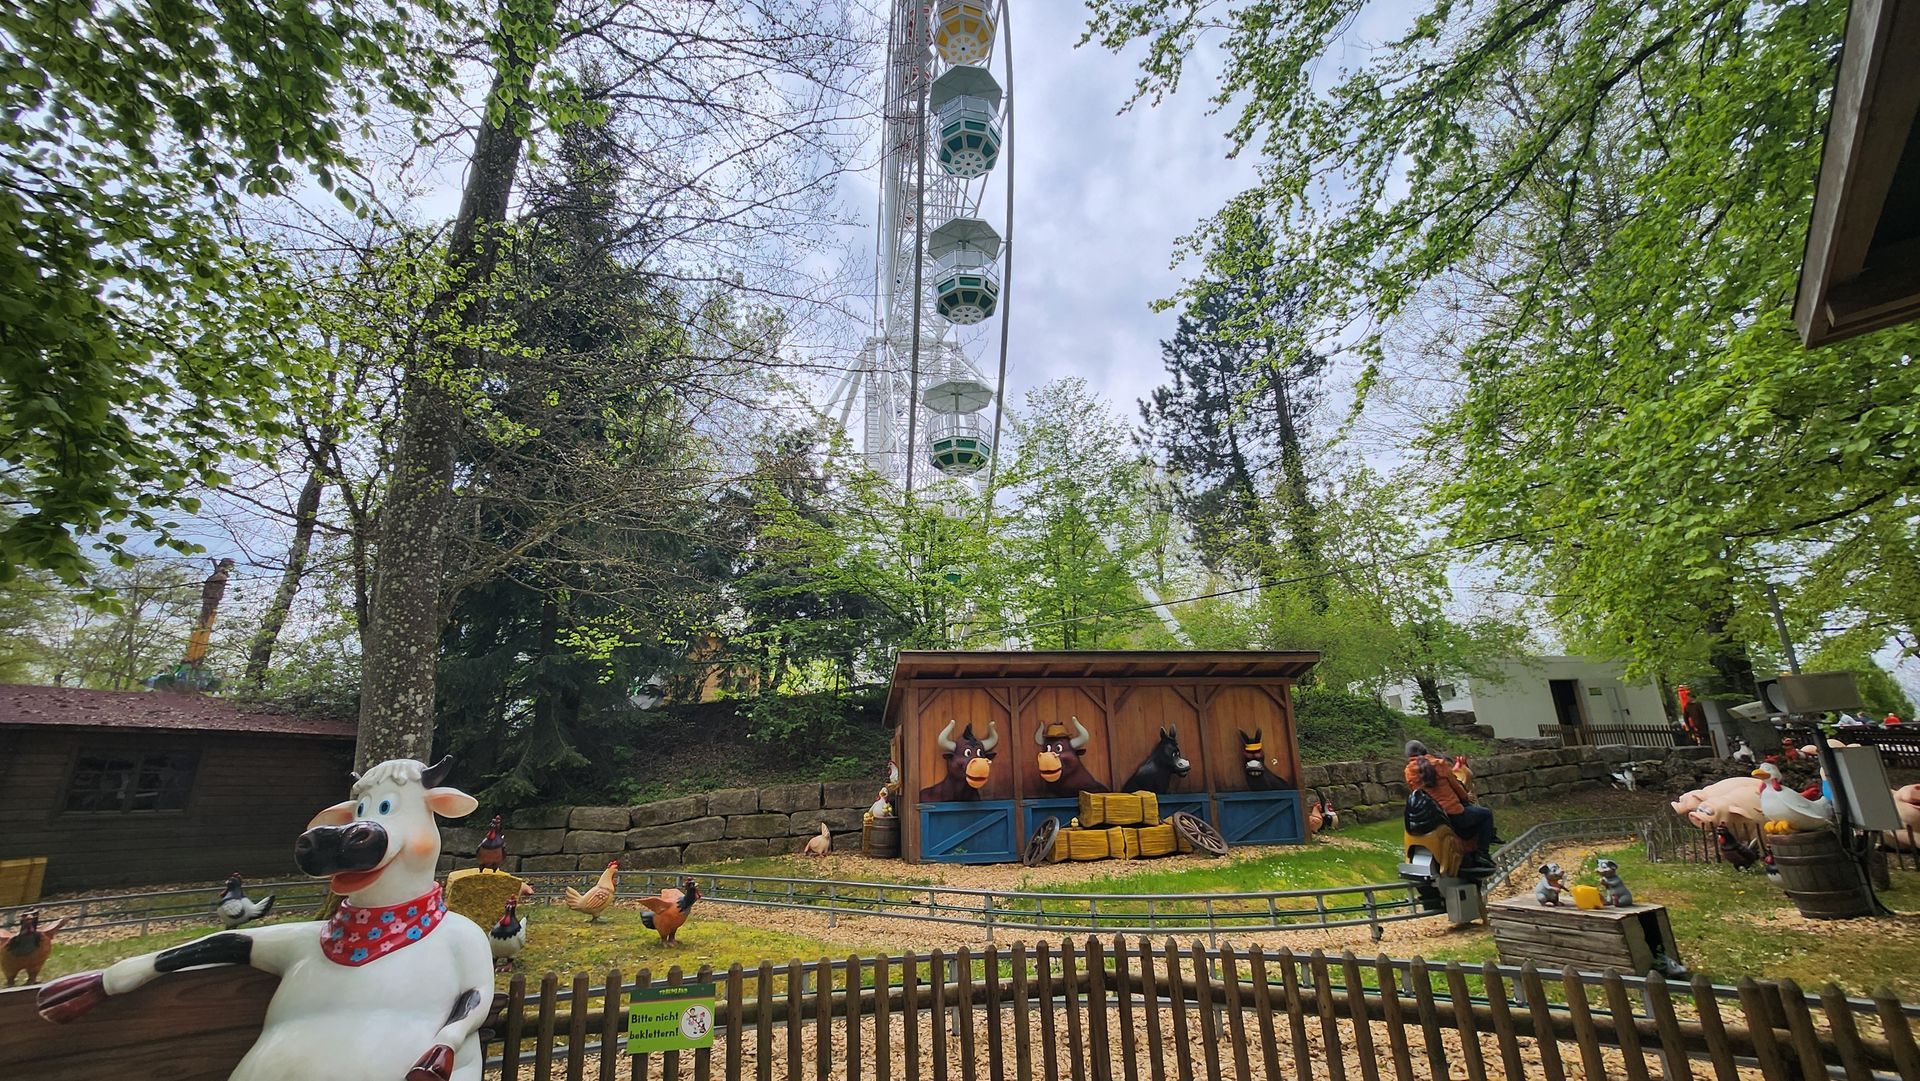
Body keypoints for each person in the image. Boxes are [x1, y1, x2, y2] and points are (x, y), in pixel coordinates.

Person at [1404, 740, 1499, 865]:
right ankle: (1482, 853)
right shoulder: (1440, 764)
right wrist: (1466, 797)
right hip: (1454, 815)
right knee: (1486, 814)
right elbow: (1457, 787)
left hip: (1432, 817)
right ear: (1425, 750)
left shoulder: (1408, 772)